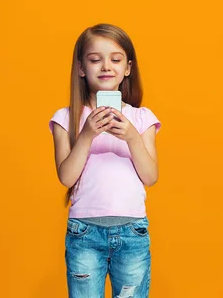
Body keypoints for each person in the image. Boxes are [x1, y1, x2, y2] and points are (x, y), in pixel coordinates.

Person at [49, 23, 161, 298]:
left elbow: (151, 176)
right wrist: (86, 135)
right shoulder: (66, 118)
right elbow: (66, 177)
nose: (106, 66)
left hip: (132, 230)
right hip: (85, 232)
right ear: (81, 68)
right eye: (95, 59)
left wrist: (133, 137)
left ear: (128, 68)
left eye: (115, 59)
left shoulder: (142, 117)